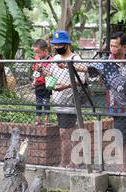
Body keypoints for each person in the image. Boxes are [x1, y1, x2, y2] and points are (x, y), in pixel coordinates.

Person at [61, 31, 126, 172]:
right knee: (120, 138)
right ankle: (123, 167)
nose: (112, 48)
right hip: (117, 107)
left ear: (124, 46)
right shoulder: (105, 63)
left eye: (115, 46)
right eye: (111, 45)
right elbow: (86, 68)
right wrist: (69, 65)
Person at [45, 30, 84, 168]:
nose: (57, 47)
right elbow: (50, 74)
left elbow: (82, 80)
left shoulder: (75, 59)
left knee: (66, 133)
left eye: (60, 44)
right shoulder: (55, 59)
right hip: (59, 102)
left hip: (71, 102)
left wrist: (66, 86)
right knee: (66, 133)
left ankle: (68, 162)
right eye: (55, 45)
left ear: (67, 44)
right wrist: (48, 79)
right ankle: (69, 161)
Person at [32, 39, 53, 126]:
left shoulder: (51, 60)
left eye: (39, 52)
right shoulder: (36, 59)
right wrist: (34, 80)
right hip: (38, 83)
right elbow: (35, 71)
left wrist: (42, 70)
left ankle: (47, 118)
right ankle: (38, 118)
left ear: (46, 51)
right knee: (38, 101)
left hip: (47, 83)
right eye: (36, 53)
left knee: (46, 101)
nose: (37, 55)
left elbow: (51, 73)